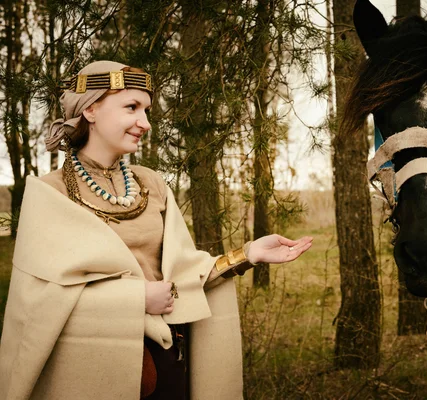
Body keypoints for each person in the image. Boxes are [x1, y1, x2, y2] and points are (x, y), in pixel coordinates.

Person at [0, 60, 313, 400]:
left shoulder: (151, 184)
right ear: (90, 109)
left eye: (146, 110)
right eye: (131, 107)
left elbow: (182, 276)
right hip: (88, 370)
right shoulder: (49, 193)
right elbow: (37, 304)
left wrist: (248, 254)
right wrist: (136, 299)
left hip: (164, 362)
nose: (145, 122)